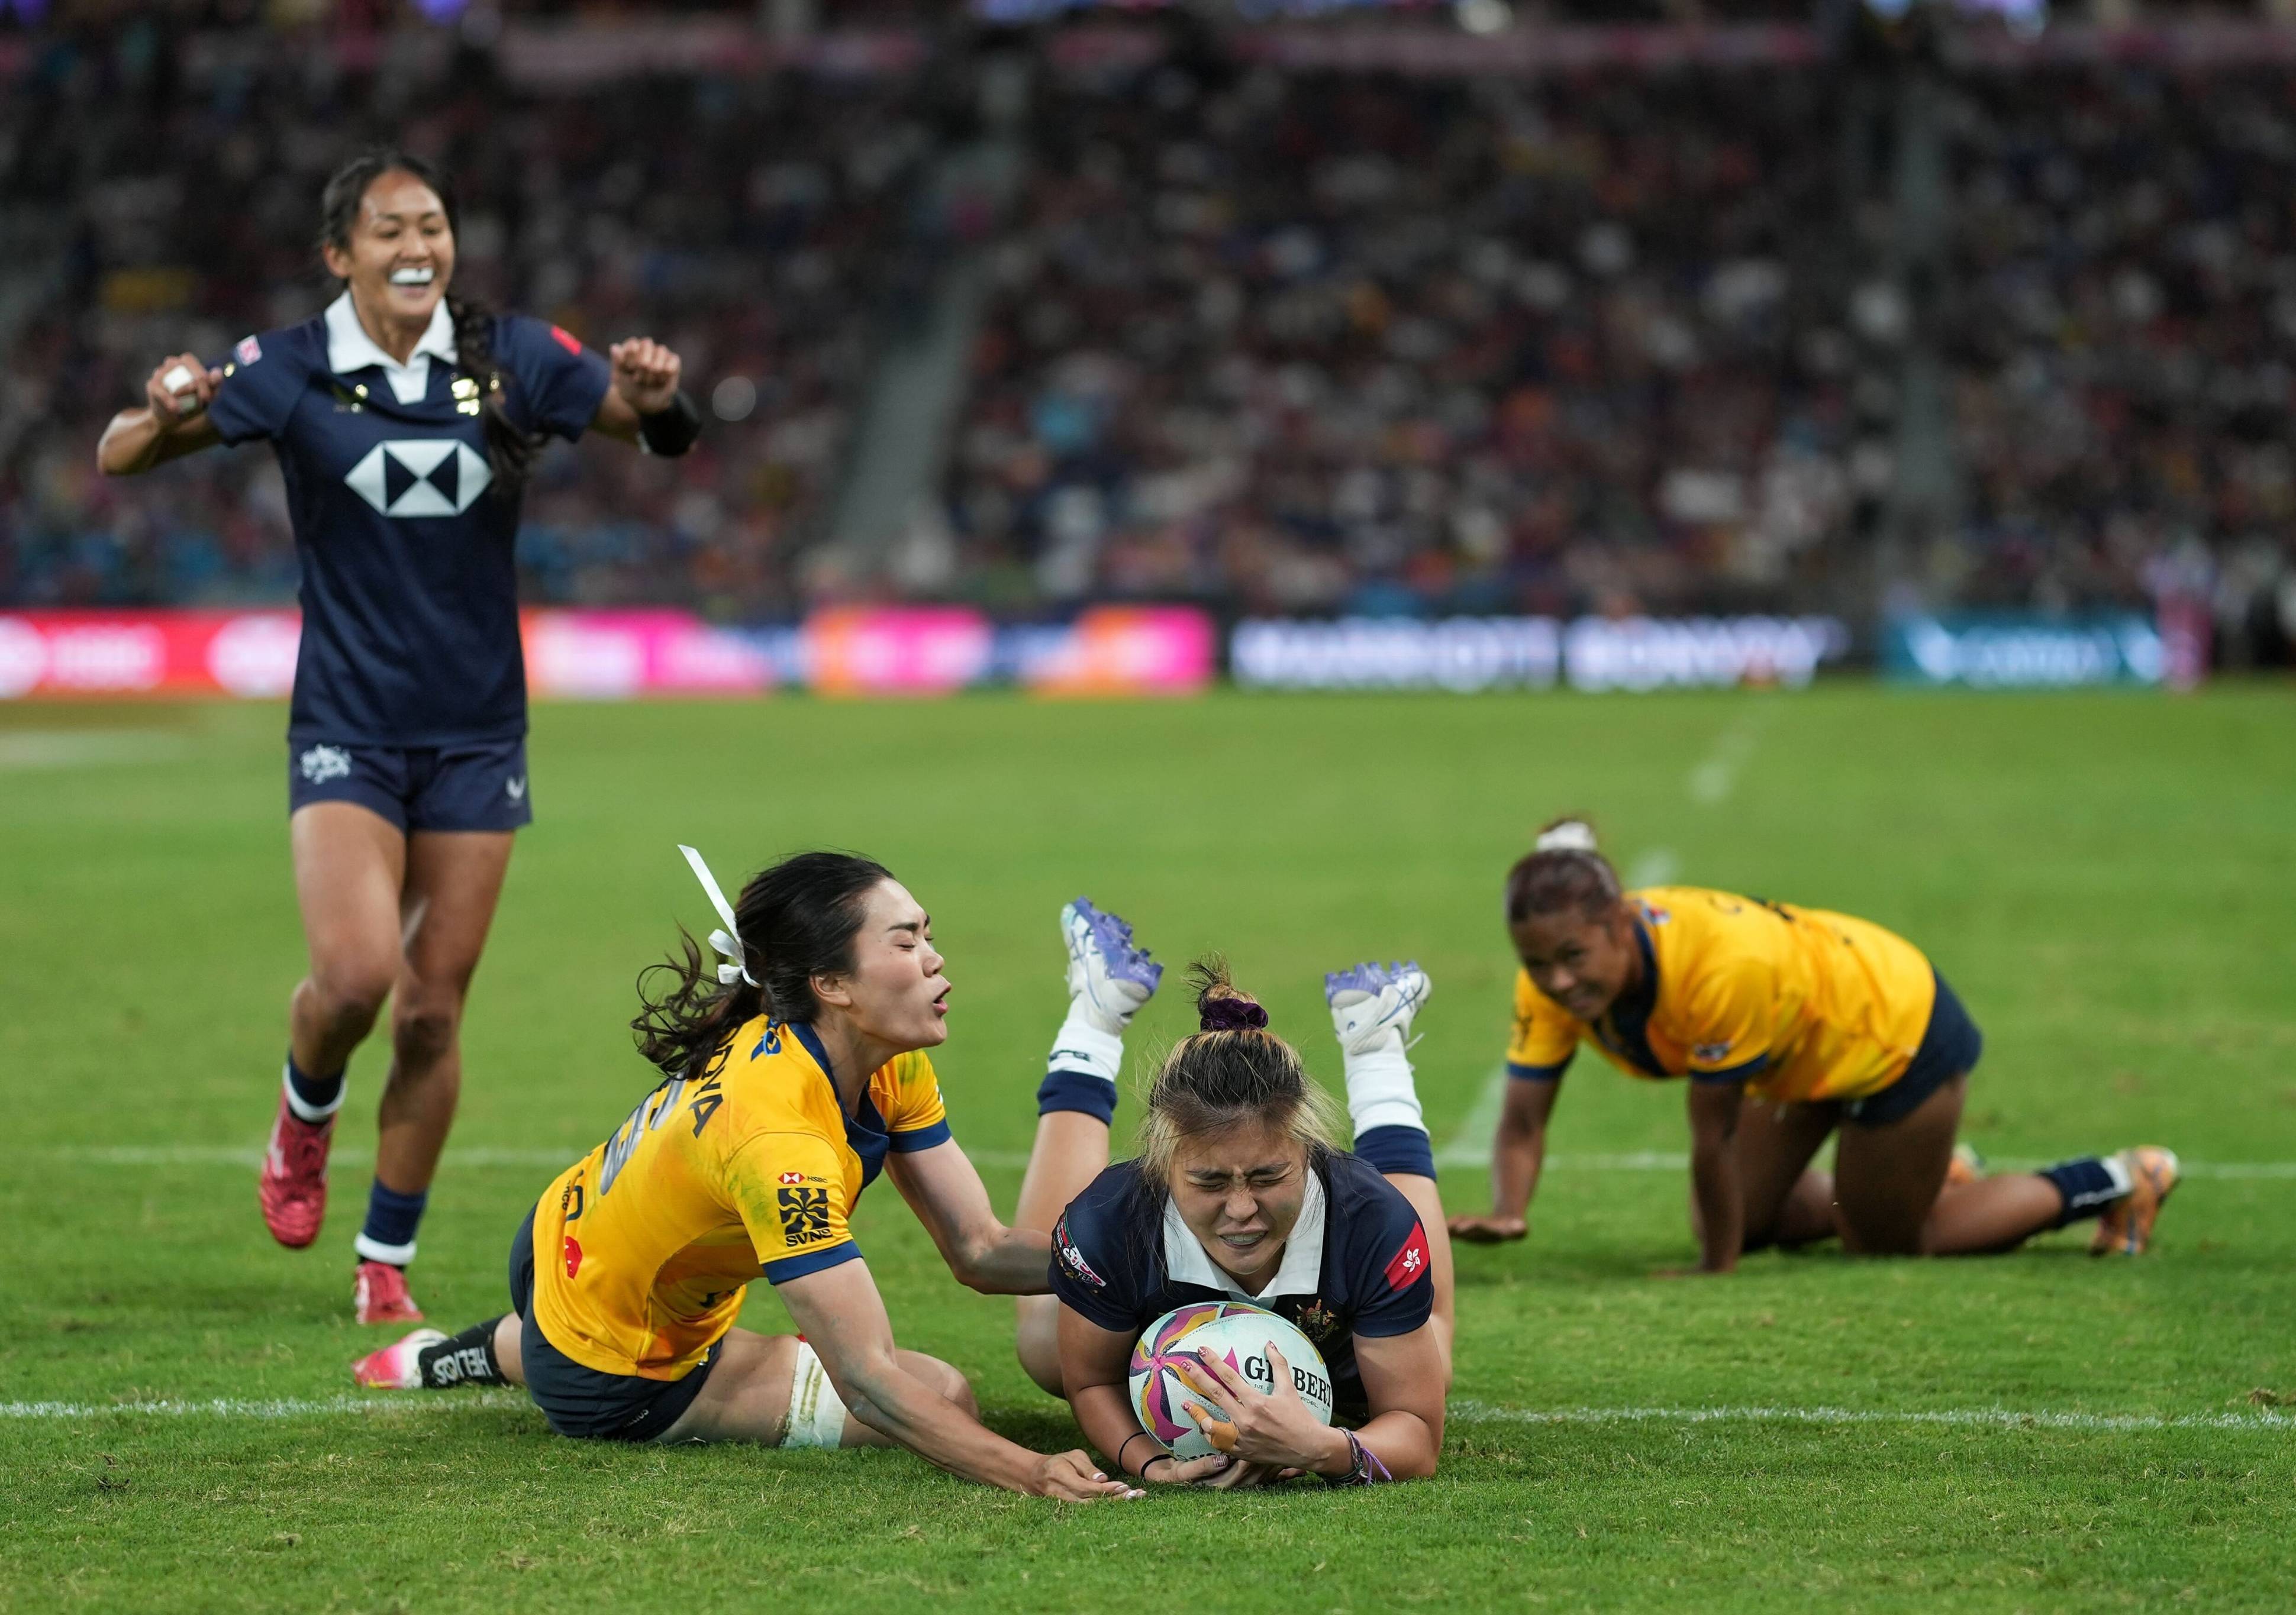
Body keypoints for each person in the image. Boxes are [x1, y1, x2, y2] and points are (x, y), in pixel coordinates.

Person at [93, 148, 705, 1325]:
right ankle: (303, 1111)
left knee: (432, 1009)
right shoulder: (288, 365)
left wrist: (659, 387)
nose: (416, 244)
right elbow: (122, 453)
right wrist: (168, 405)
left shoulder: (513, 355)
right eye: (388, 229)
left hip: (478, 732)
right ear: (342, 254)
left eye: (432, 223)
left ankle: (385, 1264)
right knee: (358, 976)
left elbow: (658, 434)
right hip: (349, 722)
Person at [350, 847, 1137, 1502]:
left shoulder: (871, 1055)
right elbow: (866, 1379)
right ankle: (514, 1356)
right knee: (942, 1395)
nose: (934, 960)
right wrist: (1031, 1473)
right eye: (903, 943)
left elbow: (980, 1247)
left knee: (588, 1317)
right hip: (625, 1368)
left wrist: (1138, 1265)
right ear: (830, 984)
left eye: (926, 934)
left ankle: (454, 1355)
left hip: (566, 1239)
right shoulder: (778, 1139)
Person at [1450, 820, 2180, 1270]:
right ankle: (1925, 1174)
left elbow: (1716, 1136)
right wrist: (1511, 1209)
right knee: (1736, 1215)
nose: (1557, 980)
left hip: (1894, 1029)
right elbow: (1522, 1121)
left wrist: (1716, 1270)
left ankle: (2118, 1179)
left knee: (1889, 1242)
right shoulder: (1547, 988)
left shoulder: (1719, 969)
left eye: (1573, 956)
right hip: (1798, 1057)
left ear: (1620, 920)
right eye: (1537, 963)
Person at [1005, 898, 1452, 1487]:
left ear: (1308, 1153)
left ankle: (1377, 1057)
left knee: (1429, 1364)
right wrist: (1149, 1461)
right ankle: (1096, 1017)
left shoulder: (1367, 1216)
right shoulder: (1112, 1218)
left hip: (1340, 1353)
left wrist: (1322, 1447)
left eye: (1268, 1177)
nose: (1242, 1210)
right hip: (1150, 1335)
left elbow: (1417, 1432)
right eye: (1209, 1182)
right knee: (1044, 1344)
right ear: (1165, 1167)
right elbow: (1091, 1383)